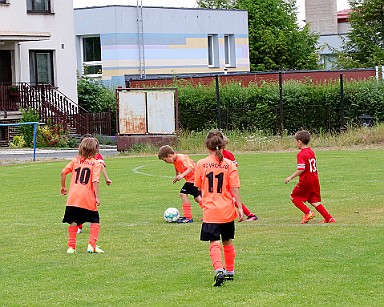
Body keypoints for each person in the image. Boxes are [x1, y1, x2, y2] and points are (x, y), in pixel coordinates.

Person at [194, 130, 244, 287]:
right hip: (227, 210)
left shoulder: (201, 164)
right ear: (222, 145)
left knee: (214, 241)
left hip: (211, 210)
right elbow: (235, 188)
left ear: (207, 146)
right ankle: (230, 271)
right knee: (227, 241)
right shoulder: (230, 164)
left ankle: (218, 269)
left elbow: (198, 186)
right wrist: (240, 208)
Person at [60, 137, 105, 254]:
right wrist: (97, 197)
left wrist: (63, 187)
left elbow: (63, 172)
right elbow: (95, 181)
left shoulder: (75, 161)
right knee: (95, 220)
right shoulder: (95, 163)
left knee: (74, 221)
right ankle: (92, 245)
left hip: (73, 197)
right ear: (95, 150)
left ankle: (71, 247)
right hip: (87, 197)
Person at [284, 130, 336, 224]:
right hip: (314, 179)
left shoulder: (301, 154)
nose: (296, 144)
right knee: (313, 200)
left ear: (299, 141)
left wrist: (290, 177)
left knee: (293, 196)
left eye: (296, 141)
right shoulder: (311, 152)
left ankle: (308, 213)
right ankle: (329, 218)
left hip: (306, 181)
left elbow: (301, 169)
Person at [158, 145, 202, 223]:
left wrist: (182, 175)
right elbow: (177, 166)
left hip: (194, 178)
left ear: (169, 156)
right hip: (194, 179)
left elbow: (191, 167)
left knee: (183, 194)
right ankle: (209, 214)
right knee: (197, 197)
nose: (166, 162)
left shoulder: (182, 158)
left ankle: (188, 217)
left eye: (165, 160)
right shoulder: (175, 160)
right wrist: (177, 175)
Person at [77, 135, 112, 234]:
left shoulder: (94, 157)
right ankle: (85, 224)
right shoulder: (81, 158)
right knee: (86, 205)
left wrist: (106, 178)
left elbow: (101, 166)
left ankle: (86, 223)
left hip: (83, 186)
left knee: (85, 205)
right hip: (86, 185)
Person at [222, 136, 258, 222]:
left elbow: (235, 166)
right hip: (221, 181)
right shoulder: (215, 155)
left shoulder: (228, 154)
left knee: (233, 199)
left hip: (229, 181)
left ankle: (250, 215)